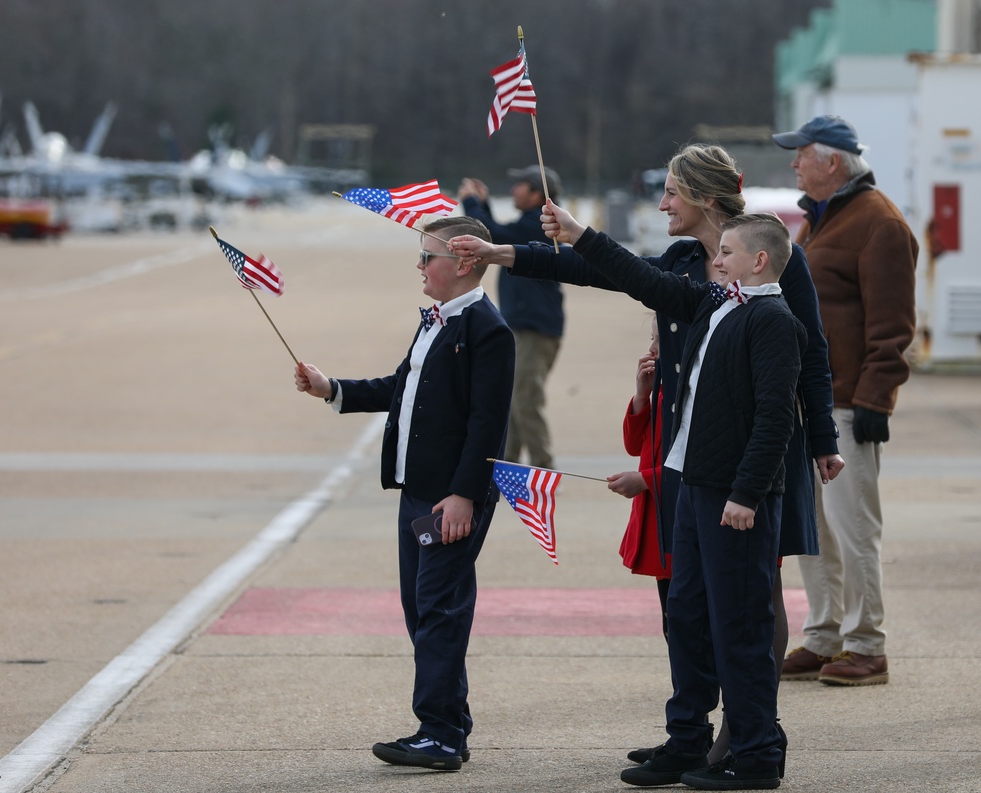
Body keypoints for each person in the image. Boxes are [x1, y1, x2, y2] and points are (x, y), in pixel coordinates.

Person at [449, 144, 843, 772]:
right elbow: (614, 273)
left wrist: (822, 439)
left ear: (707, 200)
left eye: (671, 194)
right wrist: (509, 253)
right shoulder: (695, 268)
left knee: (749, 597)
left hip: (751, 461)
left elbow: (809, 357)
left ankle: (746, 733)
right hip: (688, 455)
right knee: (684, 600)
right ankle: (690, 730)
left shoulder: (770, 270)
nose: (661, 203)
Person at [293, 215, 514, 772]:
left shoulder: (487, 330)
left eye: (427, 255)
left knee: (440, 608)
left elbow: (488, 424)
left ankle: (438, 733)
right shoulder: (435, 323)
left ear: (464, 262)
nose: (419, 265)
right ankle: (450, 723)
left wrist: (465, 494)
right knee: (420, 609)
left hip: (450, 498)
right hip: (418, 493)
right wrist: (333, 389)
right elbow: (402, 387)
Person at [772, 114, 917, 686]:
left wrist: (876, 400)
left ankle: (866, 645)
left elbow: (894, 323)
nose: (793, 164)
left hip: (849, 402)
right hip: (810, 400)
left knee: (853, 527)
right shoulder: (820, 220)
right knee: (813, 528)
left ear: (831, 161)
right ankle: (825, 635)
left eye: (800, 154)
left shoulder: (879, 223)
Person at [458, 164, 565, 469]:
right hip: (525, 326)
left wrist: (471, 204)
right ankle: (508, 465)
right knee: (514, 399)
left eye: (519, 185)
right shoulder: (530, 223)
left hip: (535, 329)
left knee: (526, 401)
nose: (513, 190)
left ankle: (544, 469)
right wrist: (483, 205)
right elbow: (498, 234)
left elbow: (493, 237)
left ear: (536, 194)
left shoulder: (540, 225)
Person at [608, 315, 673, 637]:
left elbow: (701, 465)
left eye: (660, 340)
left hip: (677, 514)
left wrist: (646, 480)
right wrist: (640, 397)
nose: (652, 348)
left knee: (686, 617)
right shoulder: (662, 388)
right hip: (660, 513)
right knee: (671, 618)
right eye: (652, 338)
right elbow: (635, 445)